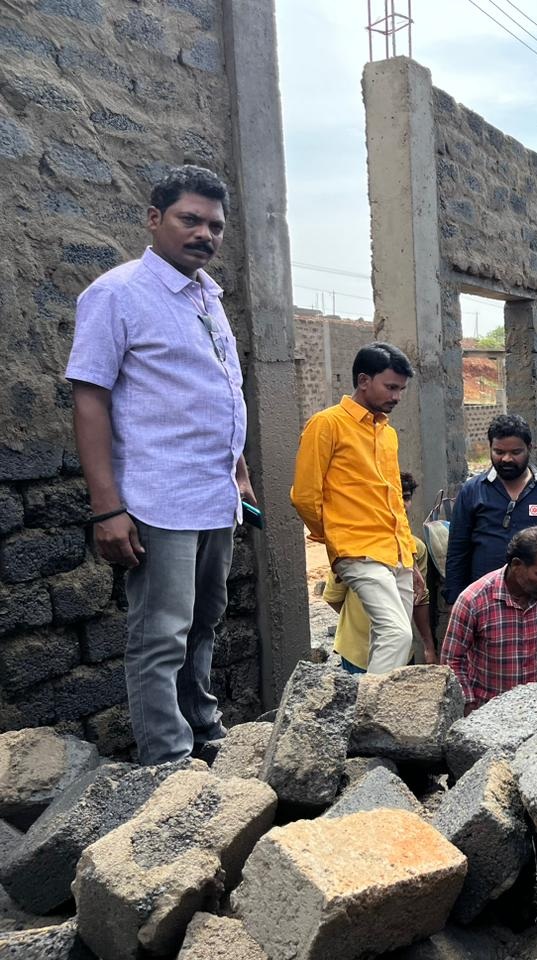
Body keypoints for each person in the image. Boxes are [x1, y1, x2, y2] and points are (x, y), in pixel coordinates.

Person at [66, 165, 251, 765]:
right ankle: (167, 764)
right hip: (157, 499)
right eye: (190, 219)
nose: (204, 234)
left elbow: (219, 392)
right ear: (154, 219)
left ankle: (204, 734)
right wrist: (107, 508)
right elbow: (89, 398)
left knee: (204, 623)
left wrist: (239, 472)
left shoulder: (208, 298)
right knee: (161, 635)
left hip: (214, 495)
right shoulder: (117, 294)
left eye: (215, 225)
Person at [291, 342, 425, 674]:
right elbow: (304, 495)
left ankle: (374, 701)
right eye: (390, 387)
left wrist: (408, 556)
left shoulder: (387, 433)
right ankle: (371, 705)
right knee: (397, 634)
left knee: (394, 640)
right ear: (364, 380)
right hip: (357, 549)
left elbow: (394, 498)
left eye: (401, 389)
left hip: (395, 551)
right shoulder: (327, 424)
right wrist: (335, 540)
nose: (397, 396)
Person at [441, 526, 537, 714]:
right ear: (516, 564)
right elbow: (452, 660)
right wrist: (468, 705)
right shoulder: (473, 600)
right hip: (487, 711)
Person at [444, 413, 537, 604]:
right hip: (485, 601)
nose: (506, 459)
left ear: (530, 448)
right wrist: (454, 600)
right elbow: (458, 551)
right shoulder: (472, 491)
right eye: (499, 452)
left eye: (515, 452)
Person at [323, 473, 437, 673]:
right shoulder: (353, 550)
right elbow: (333, 597)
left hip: (400, 650)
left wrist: (428, 646)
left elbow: (419, 599)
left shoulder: (416, 549)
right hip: (358, 653)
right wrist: (376, 618)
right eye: (393, 497)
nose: (401, 504)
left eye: (406, 497)